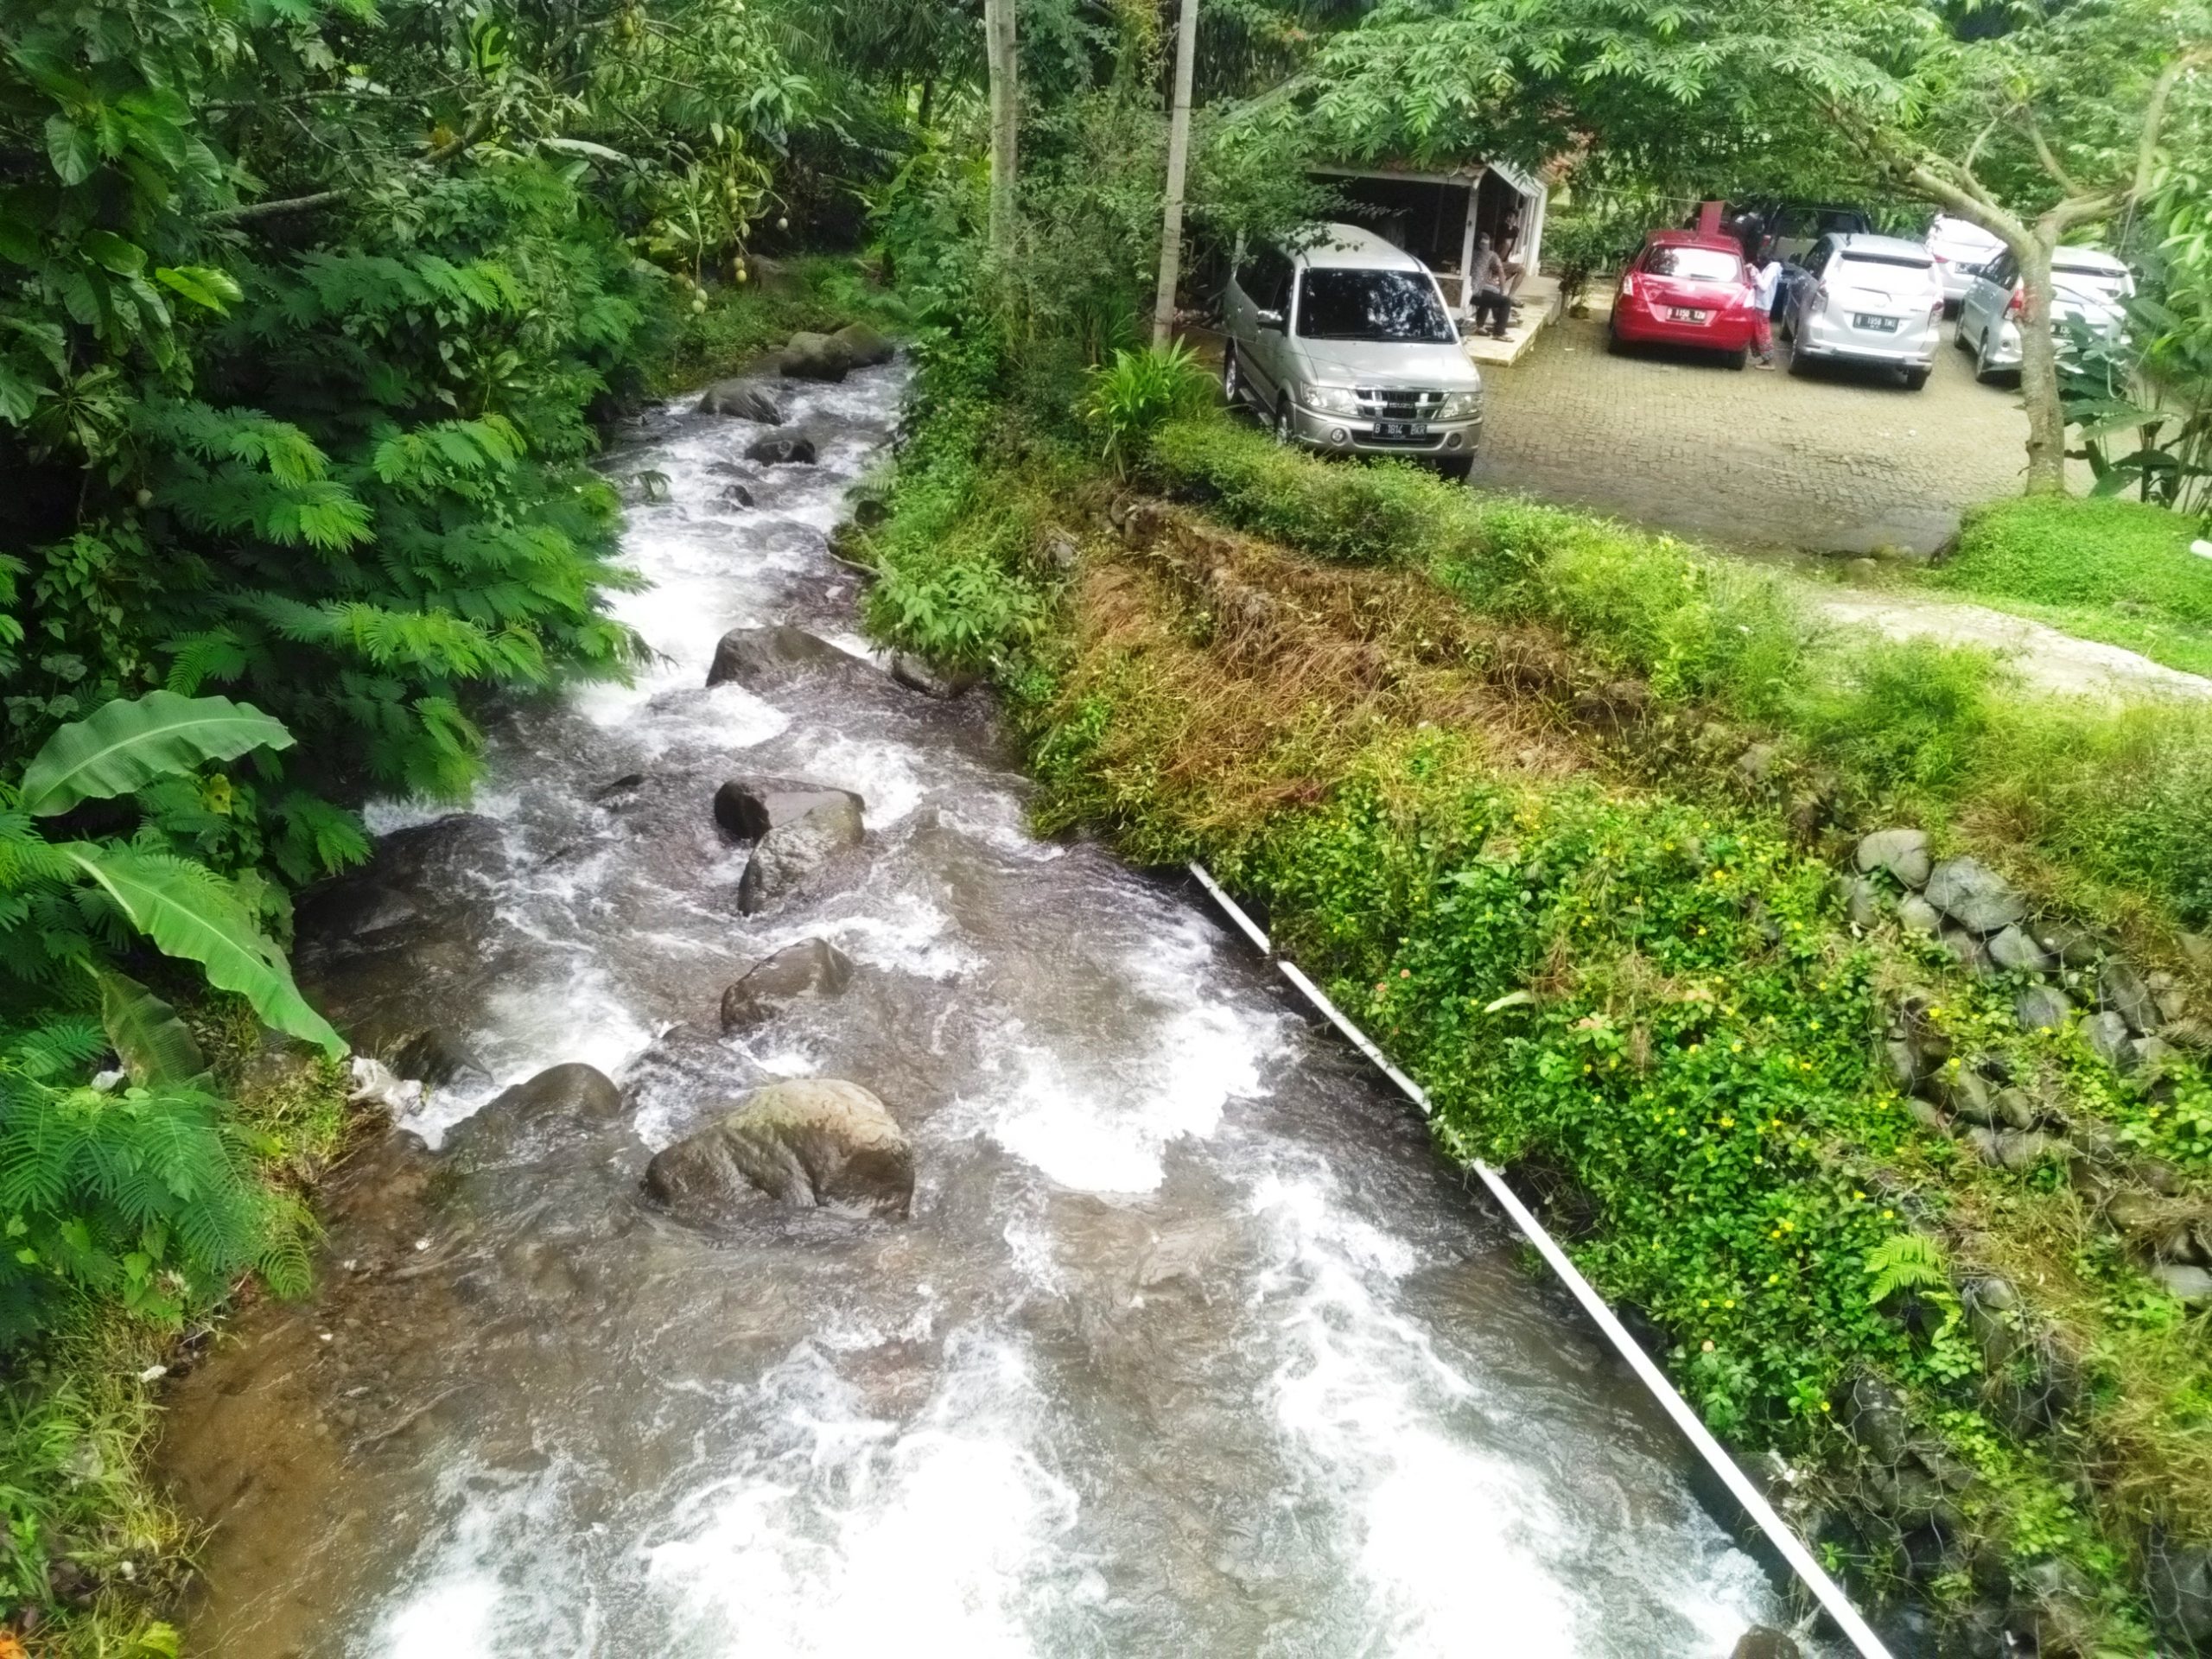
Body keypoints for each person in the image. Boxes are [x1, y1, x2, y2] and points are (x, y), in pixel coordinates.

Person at [1468, 232, 1511, 339]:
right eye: (1484, 244)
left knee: (1489, 294)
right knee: (1506, 301)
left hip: (1465, 292)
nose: (1486, 247)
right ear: (1479, 244)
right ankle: (1499, 333)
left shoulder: (1467, 252)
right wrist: (1502, 291)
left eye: (1487, 244)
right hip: (1474, 294)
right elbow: (1501, 273)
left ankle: (1480, 326)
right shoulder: (1491, 255)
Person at [1746, 249, 1784, 367]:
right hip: (1762, 304)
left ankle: (1769, 361)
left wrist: (1756, 274)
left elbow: (1763, 286)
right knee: (1759, 333)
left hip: (1763, 305)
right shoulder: (1772, 268)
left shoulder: (1772, 269)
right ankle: (1766, 360)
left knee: (1763, 333)